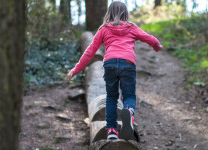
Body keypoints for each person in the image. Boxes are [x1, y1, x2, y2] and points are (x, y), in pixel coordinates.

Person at [67, 1, 163, 140]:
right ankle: (129, 111)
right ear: (125, 13)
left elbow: (90, 51)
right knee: (129, 96)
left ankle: (112, 130)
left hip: (110, 64)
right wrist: (157, 46)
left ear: (109, 14)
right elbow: (150, 38)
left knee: (112, 98)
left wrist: (75, 70)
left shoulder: (104, 29)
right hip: (128, 63)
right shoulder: (131, 28)